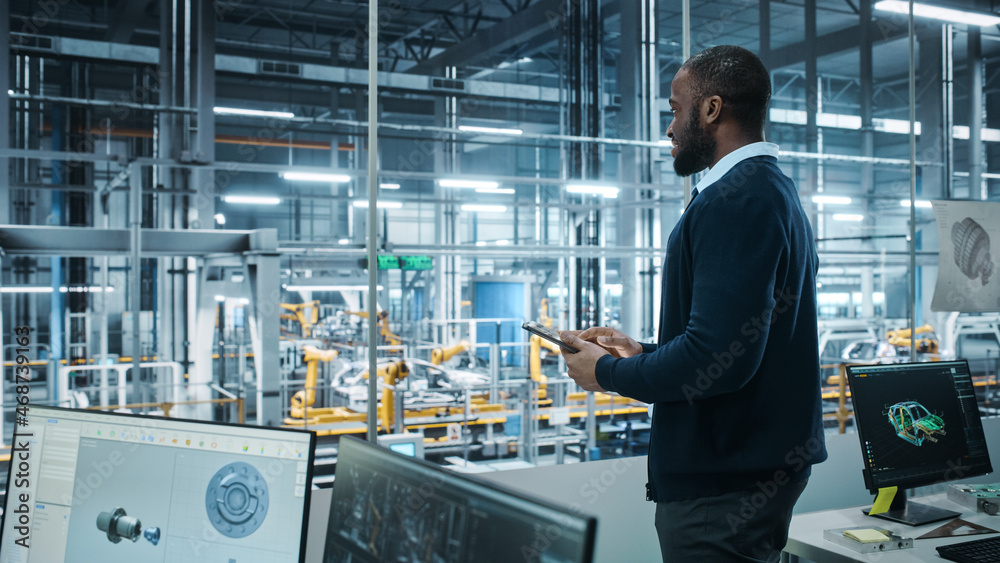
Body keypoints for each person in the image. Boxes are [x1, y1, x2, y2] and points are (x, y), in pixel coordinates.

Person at [560, 45, 828, 562]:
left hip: (722, 485)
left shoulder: (735, 202)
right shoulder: (770, 191)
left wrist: (609, 376)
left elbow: (714, 360)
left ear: (711, 110)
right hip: (745, 470)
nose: (669, 128)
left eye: (675, 109)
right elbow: (738, 338)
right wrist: (642, 352)